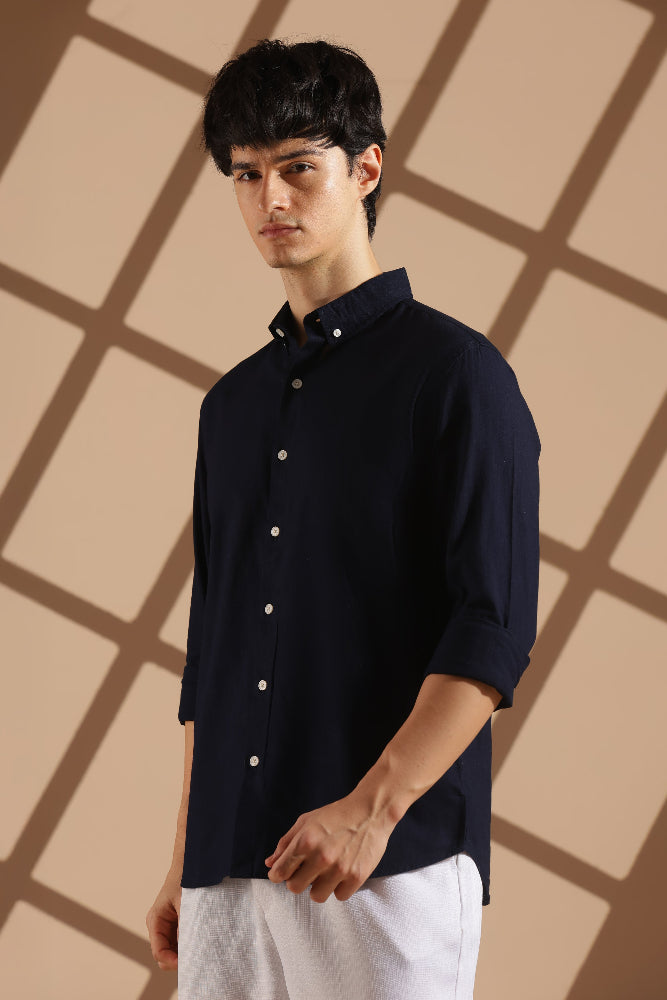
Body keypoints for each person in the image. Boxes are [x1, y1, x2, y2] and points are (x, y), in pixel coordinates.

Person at [146, 36, 540, 1000]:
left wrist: (372, 810)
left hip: (384, 863)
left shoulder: (456, 376)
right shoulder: (230, 407)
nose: (269, 200)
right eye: (246, 174)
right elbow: (215, 648)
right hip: (229, 864)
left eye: (297, 168)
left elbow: (490, 627)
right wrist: (185, 852)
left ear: (365, 170)